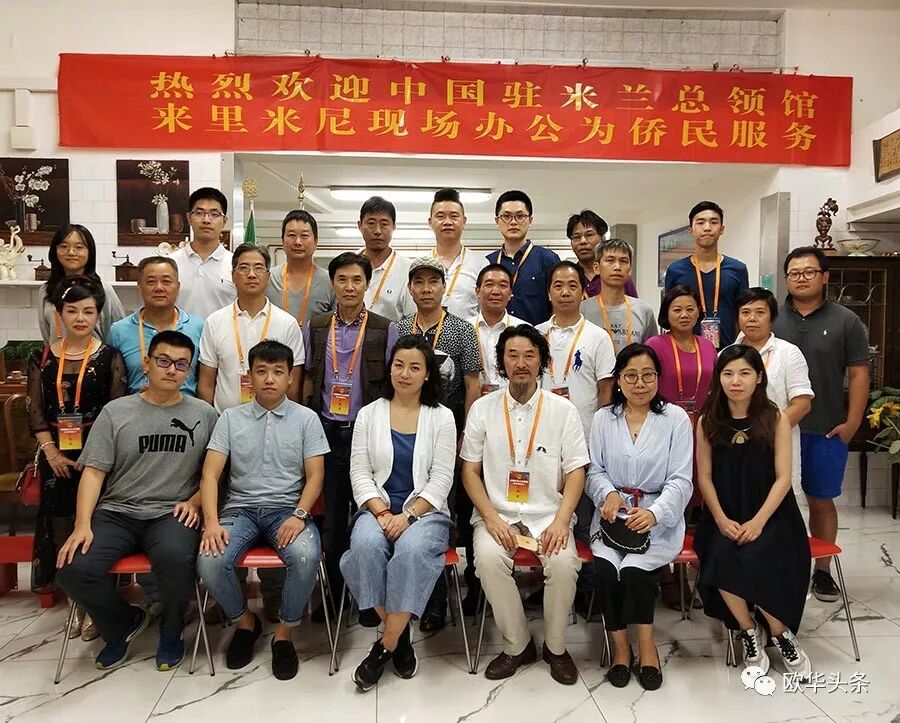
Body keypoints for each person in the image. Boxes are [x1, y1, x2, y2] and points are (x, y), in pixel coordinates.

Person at [55, 330, 219, 671]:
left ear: (189, 370)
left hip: (172, 512)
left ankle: (171, 632)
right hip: (118, 511)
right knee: (72, 569)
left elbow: (216, 473)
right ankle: (122, 624)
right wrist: (82, 525)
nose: (171, 370)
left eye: (181, 364)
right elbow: (94, 473)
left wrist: (195, 502)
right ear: (147, 363)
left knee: (176, 560)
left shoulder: (204, 414)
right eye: (164, 361)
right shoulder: (116, 412)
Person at [461, 325, 588, 685]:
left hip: (548, 514)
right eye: (512, 355)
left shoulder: (563, 410)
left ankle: (556, 649)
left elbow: (576, 471)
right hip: (497, 514)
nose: (521, 363)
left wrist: (562, 521)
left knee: (563, 563)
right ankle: (518, 645)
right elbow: (469, 472)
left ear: (542, 361)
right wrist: (490, 518)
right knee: (487, 560)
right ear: (501, 362)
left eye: (529, 355)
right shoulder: (482, 409)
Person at [197, 340, 329, 681]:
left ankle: (283, 634)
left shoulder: (307, 419)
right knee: (210, 561)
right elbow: (210, 475)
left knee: (305, 557)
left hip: (287, 510)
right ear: (250, 377)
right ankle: (246, 622)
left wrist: (300, 515)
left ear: (290, 377)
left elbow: (316, 476)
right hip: (239, 510)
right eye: (262, 371)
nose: (270, 379)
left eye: (278, 372)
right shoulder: (230, 418)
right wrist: (211, 523)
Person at [341, 335, 456, 690]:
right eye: (399, 365)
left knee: (410, 551)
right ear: (389, 369)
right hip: (377, 510)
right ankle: (400, 634)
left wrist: (407, 517)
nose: (405, 374)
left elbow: (441, 479)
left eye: (415, 367)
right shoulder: (369, 413)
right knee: (364, 548)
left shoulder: (442, 417)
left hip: (425, 513)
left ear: (427, 374)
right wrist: (381, 513)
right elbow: (359, 472)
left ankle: (384, 646)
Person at [693, 345, 813, 681]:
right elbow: (704, 477)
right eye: (728, 373)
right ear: (718, 378)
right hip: (724, 513)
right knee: (720, 553)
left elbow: (783, 478)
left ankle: (779, 632)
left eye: (744, 373)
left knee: (760, 552)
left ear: (759, 377)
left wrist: (759, 522)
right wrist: (720, 519)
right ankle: (748, 630)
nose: (736, 381)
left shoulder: (776, 418)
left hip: (772, 513)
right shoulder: (707, 421)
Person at [587, 344, 692, 691]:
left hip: (655, 515)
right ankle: (621, 650)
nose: (640, 383)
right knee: (606, 570)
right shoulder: (604, 419)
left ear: (658, 378)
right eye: (630, 376)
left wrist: (654, 513)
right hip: (612, 516)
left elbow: (681, 479)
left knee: (634, 571)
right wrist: (608, 494)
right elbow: (594, 471)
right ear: (618, 379)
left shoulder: (675, 418)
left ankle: (647, 648)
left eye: (648, 375)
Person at [27, 277, 127, 641]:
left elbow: (116, 411)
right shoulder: (42, 358)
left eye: (88, 311)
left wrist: (94, 455)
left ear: (98, 315)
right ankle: (76, 603)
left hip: (99, 456)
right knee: (62, 529)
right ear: (59, 315)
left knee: (97, 528)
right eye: (72, 311)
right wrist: (51, 451)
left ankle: (98, 606)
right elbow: (35, 411)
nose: (81, 318)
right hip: (55, 456)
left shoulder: (110, 357)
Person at [303, 252, 399, 622]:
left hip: (366, 436)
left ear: (367, 284)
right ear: (332, 283)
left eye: (357, 280)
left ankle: (368, 598)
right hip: (325, 434)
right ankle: (335, 595)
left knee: (369, 518)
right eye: (342, 279)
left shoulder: (385, 328)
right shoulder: (315, 326)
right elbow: (308, 379)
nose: (349, 287)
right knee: (331, 523)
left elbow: (392, 385)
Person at [772, 246, 869, 602]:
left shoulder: (846, 321)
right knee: (773, 500)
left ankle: (823, 571)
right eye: (794, 273)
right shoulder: (771, 317)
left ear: (825, 277)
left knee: (821, 501)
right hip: (777, 429)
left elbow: (858, 374)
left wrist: (853, 421)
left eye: (809, 272)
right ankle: (776, 566)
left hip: (825, 428)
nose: (801, 278)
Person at [398, 256, 481, 631]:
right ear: (410, 288)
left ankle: (461, 593)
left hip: (452, 434)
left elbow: (473, 385)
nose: (426, 289)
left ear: (444, 287)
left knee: (454, 513)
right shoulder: (401, 328)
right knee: (421, 512)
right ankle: (428, 599)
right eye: (419, 282)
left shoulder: (462, 330)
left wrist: (468, 435)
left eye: (433, 282)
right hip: (410, 434)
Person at [537, 261, 615, 613]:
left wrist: (603, 440)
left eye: (572, 285)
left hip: (584, 442)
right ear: (549, 292)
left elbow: (605, 393)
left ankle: (586, 592)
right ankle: (547, 586)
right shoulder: (536, 335)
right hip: (541, 442)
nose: (565, 292)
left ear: (584, 292)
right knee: (545, 514)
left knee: (583, 519)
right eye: (558, 285)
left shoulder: (597, 337)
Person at [198, 243, 304, 413]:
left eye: (259, 268)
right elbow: (206, 384)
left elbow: (293, 386)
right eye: (244, 268)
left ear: (268, 276)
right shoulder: (215, 322)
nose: (252, 274)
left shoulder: (287, 324)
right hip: (224, 420)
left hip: (274, 421)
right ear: (233, 275)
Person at [734, 287, 814, 495]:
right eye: (745, 312)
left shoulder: (788, 353)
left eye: (760, 312)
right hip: (735, 445)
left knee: (778, 505)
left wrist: (764, 433)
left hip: (776, 445)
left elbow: (802, 404)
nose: (752, 318)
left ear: (772, 317)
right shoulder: (726, 355)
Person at [107, 256, 204, 395]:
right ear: (139, 286)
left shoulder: (199, 328)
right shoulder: (119, 331)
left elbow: (205, 381)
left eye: (166, 281)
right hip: (136, 406)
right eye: (151, 282)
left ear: (178, 287)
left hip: (186, 406)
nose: (159, 288)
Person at [664, 201, 749, 349]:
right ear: (690, 230)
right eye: (700, 222)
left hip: (727, 351)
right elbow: (669, 313)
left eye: (714, 222)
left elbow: (743, 312)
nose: (707, 227)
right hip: (685, 350)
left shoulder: (737, 269)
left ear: (722, 229)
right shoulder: (676, 270)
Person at [38, 225, 125, 342]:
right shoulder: (45, 290)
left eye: (79, 247)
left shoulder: (103, 289)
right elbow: (46, 334)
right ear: (55, 251)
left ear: (90, 252)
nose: (71, 252)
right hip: (58, 353)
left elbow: (118, 332)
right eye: (63, 246)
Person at [486, 190, 560, 325]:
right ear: (497, 221)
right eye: (506, 216)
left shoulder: (548, 259)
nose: (513, 222)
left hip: (537, 335)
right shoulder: (488, 262)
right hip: (496, 334)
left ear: (530, 220)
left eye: (520, 216)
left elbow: (558, 303)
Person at [170, 187, 236, 320]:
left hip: (223, 333)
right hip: (178, 334)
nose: (206, 220)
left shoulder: (235, 264)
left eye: (214, 214)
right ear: (189, 218)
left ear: (224, 221)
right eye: (199, 213)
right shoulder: (171, 263)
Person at [581, 239, 657, 351]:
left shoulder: (644, 311)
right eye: (610, 260)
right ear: (597, 268)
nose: (617, 267)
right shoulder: (582, 310)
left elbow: (651, 353)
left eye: (623, 261)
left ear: (630, 269)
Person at [266, 209, 335, 326]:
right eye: (291, 235)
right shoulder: (268, 279)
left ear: (316, 241)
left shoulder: (330, 281)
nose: (298, 242)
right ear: (282, 240)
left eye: (304, 236)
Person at [428, 187, 487, 320]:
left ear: (464, 221)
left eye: (454, 216)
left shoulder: (481, 264)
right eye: (440, 216)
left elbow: (486, 310)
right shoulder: (420, 264)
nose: (447, 222)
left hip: (469, 332)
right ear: (430, 222)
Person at [470, 264, 528, 396]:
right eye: (489, 285)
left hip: (514, 400)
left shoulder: (524, 330)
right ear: (477, 291)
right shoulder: (464, 328)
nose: (495, 291)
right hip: (473, 400)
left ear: (510, 293)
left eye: (502, 285)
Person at [359, 196, 415, 322]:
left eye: (384, 224)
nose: (377, 231)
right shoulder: (346, 266)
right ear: (360, 225)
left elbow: (412, 319)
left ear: (393, 227)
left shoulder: (408, 270)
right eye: (371, 223)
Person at [566, 210, 637, 298]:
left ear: (602, 238)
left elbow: (633, 305)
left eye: (589, 235)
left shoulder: (618, 274)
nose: (582, 241)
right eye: (576, 237)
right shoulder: (569, 275)